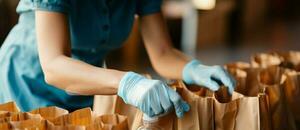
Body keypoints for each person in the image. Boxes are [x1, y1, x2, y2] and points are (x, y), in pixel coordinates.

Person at [0, 0, 235, 118]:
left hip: (84, 87)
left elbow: (162, 53)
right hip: (25, 83)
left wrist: (194, 69)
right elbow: (54, 65)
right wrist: (127, 82)